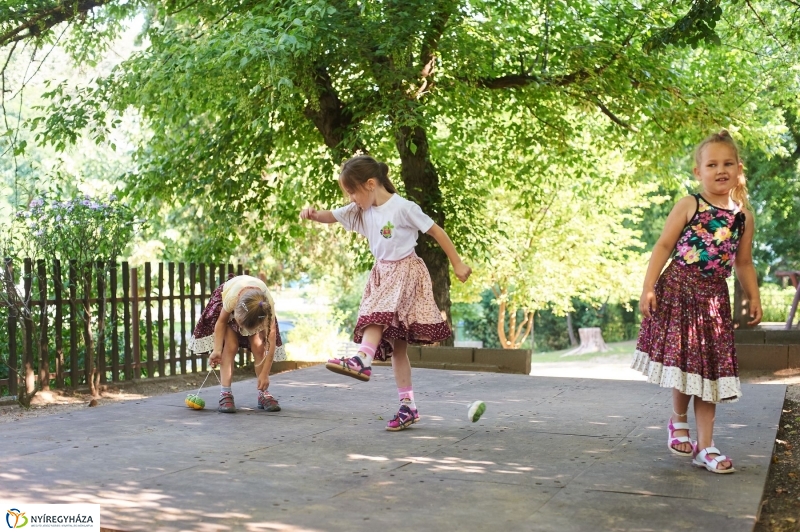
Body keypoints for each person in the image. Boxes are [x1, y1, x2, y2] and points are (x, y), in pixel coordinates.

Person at [300, 155, 472, 431]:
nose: (351, 199)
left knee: (374, 315)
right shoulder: (361, 211)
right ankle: (408, 406)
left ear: (370, 184)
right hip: (382, 274)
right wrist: (312, 214)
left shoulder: (403, 208)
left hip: (405, 272)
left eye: (352, 192)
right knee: (397, 349)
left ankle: (362, 358)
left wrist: (457, 263)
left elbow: (436, 232)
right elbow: (331, 216)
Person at [633, 130, 762, 474]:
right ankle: (677, 421)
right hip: (679, 291)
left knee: (711, 374)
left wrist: (754, 296)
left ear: (739, 169)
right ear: (698, 172)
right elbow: (663, 246)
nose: (721, 170)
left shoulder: (742, 217)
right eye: (712, 164)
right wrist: (648, 287)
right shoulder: (689, 204)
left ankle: (707, 447)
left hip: (713, 300)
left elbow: (743, 263)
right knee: (685, 365)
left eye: (728, 163)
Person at [188, 273, 286, 413]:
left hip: (253, 308)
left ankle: (263, 393)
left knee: (259, 347)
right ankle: (225, 393)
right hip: (234, 299)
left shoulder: (265, 307)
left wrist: (265, 374)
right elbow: (221, 322)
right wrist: (216, 350)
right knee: (230, 346)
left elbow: (270, 345)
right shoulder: (232, 299)